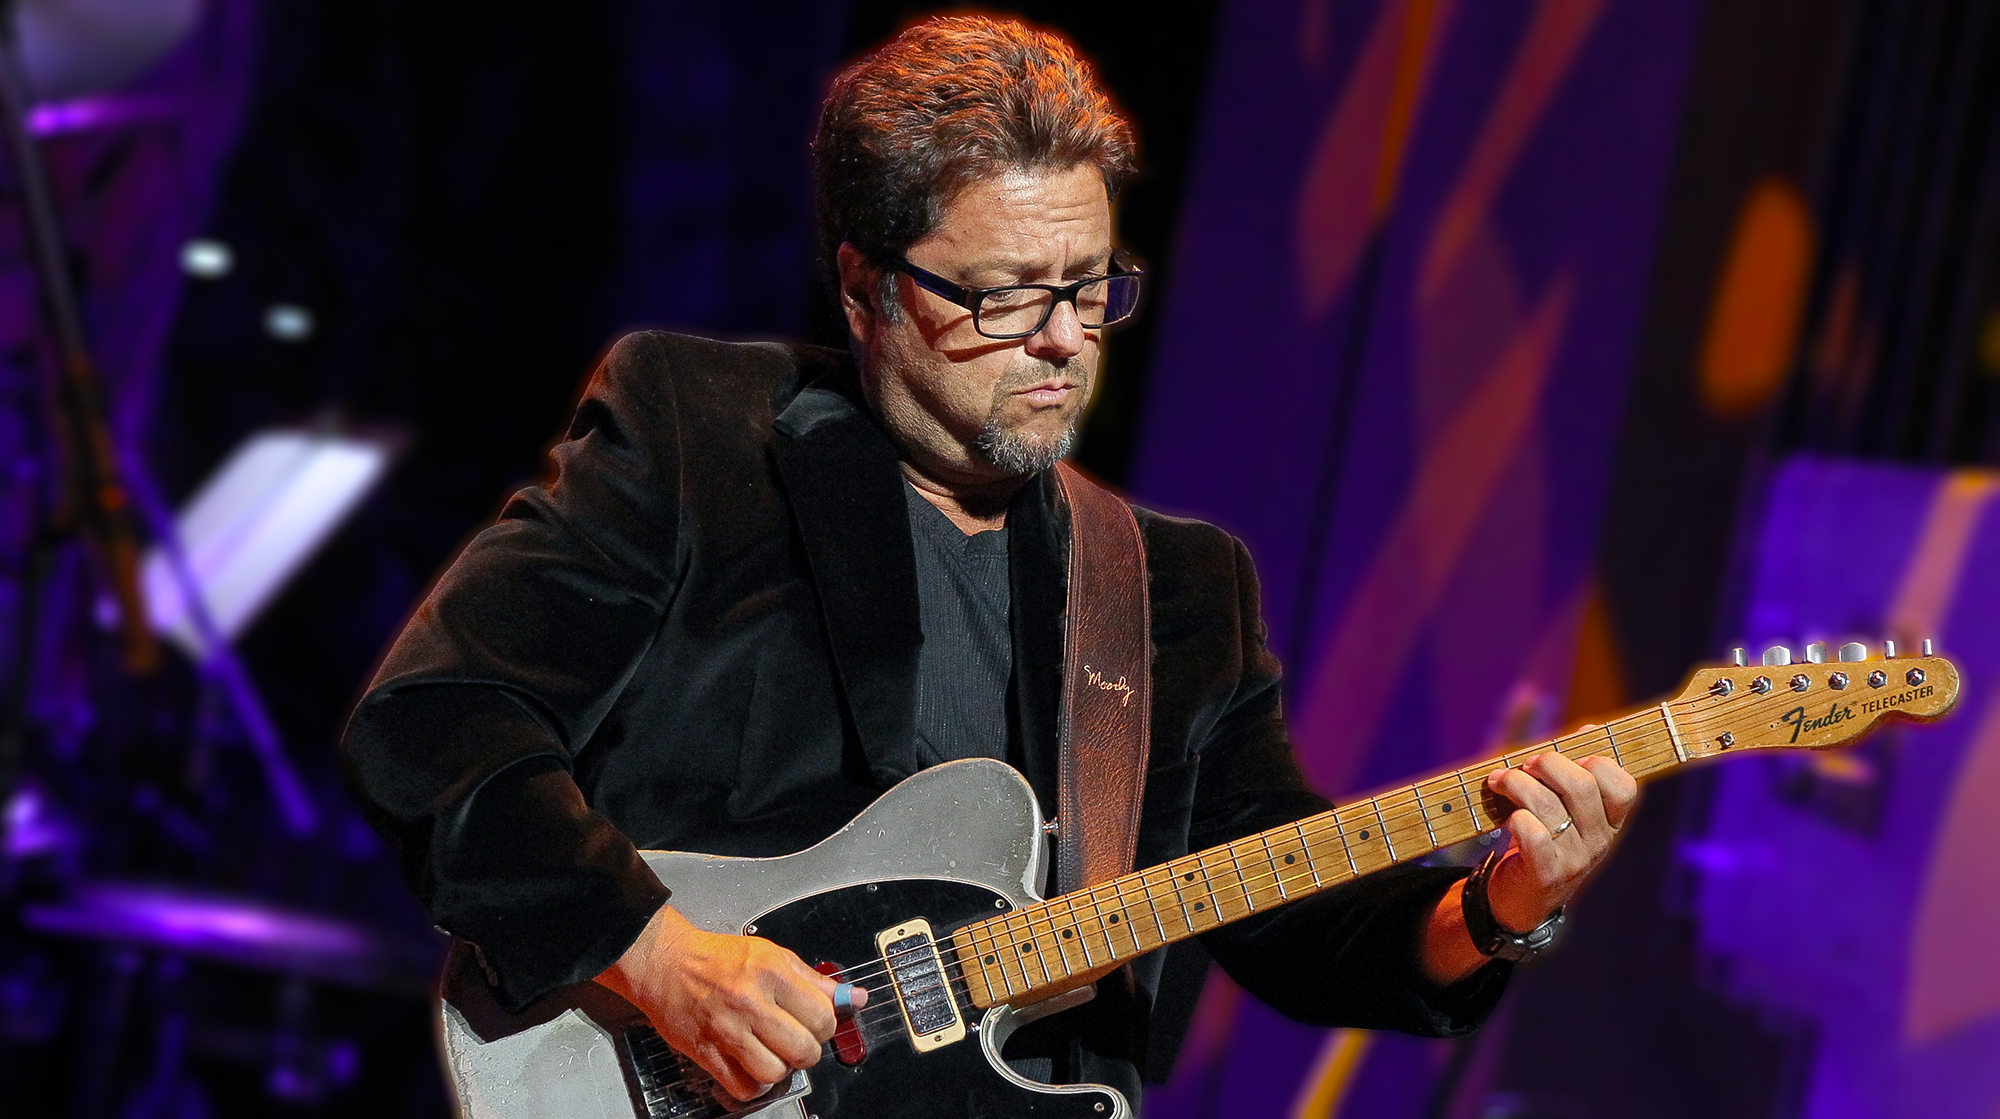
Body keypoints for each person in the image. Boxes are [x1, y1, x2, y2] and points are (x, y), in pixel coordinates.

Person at [340, 14, 1637, 1112]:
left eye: (1090, 286)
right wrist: (664, 962)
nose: (1064, 338)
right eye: (1007, 295)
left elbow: (1287, 912)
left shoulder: (1177, 589)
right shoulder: (701, 435)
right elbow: (434, 724)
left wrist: (1499, 906)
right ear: (866, 287)